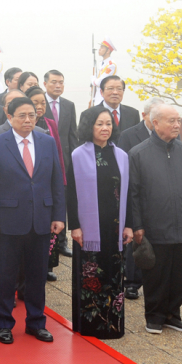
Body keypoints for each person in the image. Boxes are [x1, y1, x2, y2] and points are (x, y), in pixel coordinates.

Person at [0, 97, 65, 344]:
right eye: (22, 116)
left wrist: (59, 215)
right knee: (6, 277)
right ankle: (4, 324)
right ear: (9, 117)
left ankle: (36, 322)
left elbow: (56, 181)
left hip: (41, 220)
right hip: (8, 223)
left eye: (32, 115)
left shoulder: (47, 142)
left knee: (37, 277)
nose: (28, 120)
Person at [129, 104, 182, 335]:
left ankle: (173, 314)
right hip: (155, 226)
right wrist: (137, 225)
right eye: (171, 121)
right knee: (156, 274)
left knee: (179, 274)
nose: (177, 125)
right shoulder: (138, 153)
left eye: (178, 120)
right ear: (155, 123)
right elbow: (133, 194)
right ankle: (154, 315)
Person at [67, 108, 133, 339]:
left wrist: (128, 225)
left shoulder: (122, 155)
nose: (105, 128)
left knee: (114, 276)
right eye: (99, 124)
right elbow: (71, 193)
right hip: (88, 228)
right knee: (91, 276)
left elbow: (129, 193)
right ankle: (89, 326)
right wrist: (74, 225)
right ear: (89, 126)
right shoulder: (77, 155)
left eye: (108, 124)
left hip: (115, 226)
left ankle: (112, 325)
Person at [116, 97, 165, 300]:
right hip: (135, 193)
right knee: (135, 237)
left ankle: (153, 281)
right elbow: (123, 165)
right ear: (145, 115)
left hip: (159, 197)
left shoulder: (169, 134)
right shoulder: (128, 135)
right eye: (154, 115)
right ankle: (132, 282)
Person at [27, 86, 69, 277]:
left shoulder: (51, 123)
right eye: (35, 102)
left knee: (50, 228)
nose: (39, 106)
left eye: (42, 102)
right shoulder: (24, 125)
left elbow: (58, 154)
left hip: (50, 181)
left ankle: (48, 267)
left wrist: (61, 179)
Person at [81, 76, 141, 143]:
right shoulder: (88, 114)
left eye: (119, 89)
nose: (115, 92)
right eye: (110, 88)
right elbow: (83, 142)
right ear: (101, 92)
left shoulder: (133, 114)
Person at [92, 37, 118, 107]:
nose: (99, 49)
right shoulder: (101, 63)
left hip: (105, 98)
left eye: (102, 48)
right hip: (98, 96)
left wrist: (93, 80)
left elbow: (101, 82)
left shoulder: (111, 65)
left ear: (108, 51)